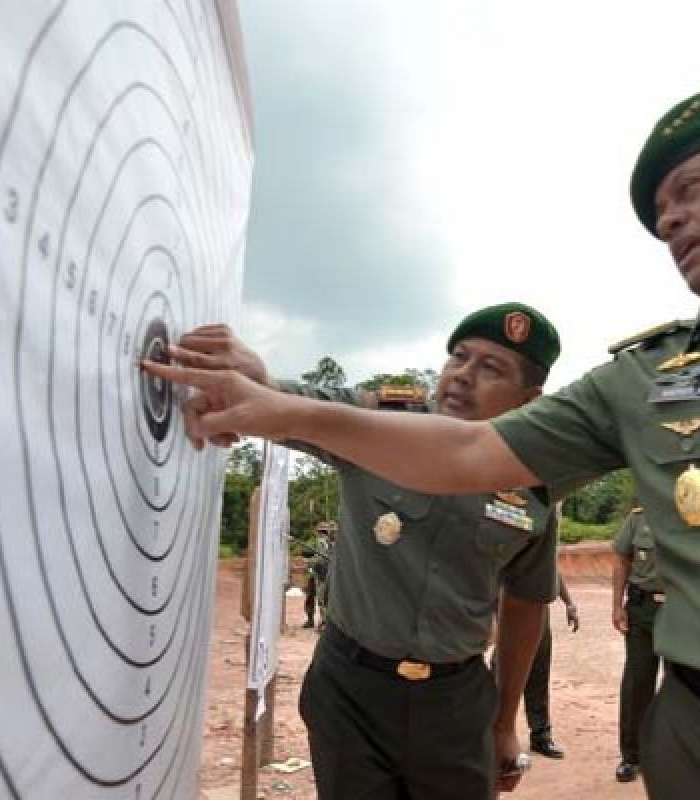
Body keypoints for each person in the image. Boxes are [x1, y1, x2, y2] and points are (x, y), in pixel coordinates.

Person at [144, 87, 700, 798]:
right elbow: (463, 454)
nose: (670, 223)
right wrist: (278, 409)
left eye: (689, 191)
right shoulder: (645, 376)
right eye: (658, 212)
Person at [162, 306, 562, 799]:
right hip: (351, 690)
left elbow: (526, 605)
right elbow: (299, 406)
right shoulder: (376, 424)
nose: (462, 375)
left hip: (455, 703)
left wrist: (504, 723)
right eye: (459, 357)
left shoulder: (534, 484)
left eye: (490, 368)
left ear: (529, 398)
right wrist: (259, 378)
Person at [610, 506, 662, 783]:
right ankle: (631, 756)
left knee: (685, 684)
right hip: (642, 609)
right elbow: (621, 560)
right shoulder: (639, 518)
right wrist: (617, 605)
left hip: (682, 610)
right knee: (637, 680)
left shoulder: (694, 513)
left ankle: (677, 755)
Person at [507, 572, 580, 759]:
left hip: (539, 610)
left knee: (539, 672)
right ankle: (494, 732)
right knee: (503, 673)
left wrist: (569, 603)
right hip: (508, 607)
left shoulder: (543, 543)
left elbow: (554, 569)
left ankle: (541, 735)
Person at [302, 522, 334, 629]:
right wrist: (310, 560)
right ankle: (310, 619)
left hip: (324, 574)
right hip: (314, 573)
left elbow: (323, 559)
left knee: (322, 599)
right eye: (321, 531)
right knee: (310, 596)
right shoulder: (315, 542)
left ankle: (324, 622)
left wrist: (311, 561)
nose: (322, 534)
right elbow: (306, 552)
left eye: (324, 531)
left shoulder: (331, 544)